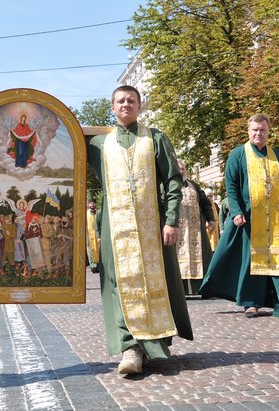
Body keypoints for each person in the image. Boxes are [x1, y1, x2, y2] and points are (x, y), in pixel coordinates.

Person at [87, 85, 193, 375]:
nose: (125, 105)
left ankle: (151, 344)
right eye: (120, 101)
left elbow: (173, 180)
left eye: (131, 100)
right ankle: (129, 347)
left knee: (153, 282)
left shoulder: (156, 138)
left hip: (152, 228)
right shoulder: (98, 143)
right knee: (119, 286)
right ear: (112, 107)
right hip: (115, 228)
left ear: (140, 105)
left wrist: (171, 220)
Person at [199, 114, 279, 320]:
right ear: (248, 131)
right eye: (255, 130)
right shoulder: (237, 155)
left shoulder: (278, 156)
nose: (258, 133)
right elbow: (231, 187)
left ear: (268, 132)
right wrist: (236, 211)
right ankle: (251, 303)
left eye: (262, 130)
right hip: (249, 218)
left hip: (276, 219)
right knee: (250, 261)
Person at [176, 159, 215, 295]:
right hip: (177, 231)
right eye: (179, 168)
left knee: (203, 258)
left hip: (196, 230)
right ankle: (181, 291)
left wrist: (211, 219)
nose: (181, 171)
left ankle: (204, 289)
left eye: (183, 168)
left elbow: (205, 204)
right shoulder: (168, 186)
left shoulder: (194, 185)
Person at [85, 198, 100, 273]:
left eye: (93, 203)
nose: (92, 205)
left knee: (98, 249)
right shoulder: (86, 214)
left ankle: (98, 265)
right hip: (88, 235)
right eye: (90, 203)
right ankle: (93, 266)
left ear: (95, 204)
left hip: (97, 235)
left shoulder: (98, 213)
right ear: (88, 205)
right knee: (90, 250)